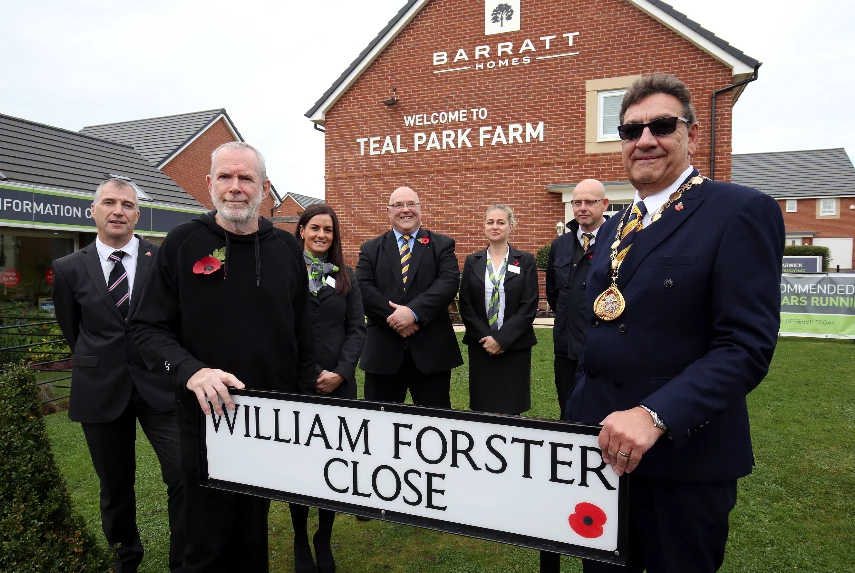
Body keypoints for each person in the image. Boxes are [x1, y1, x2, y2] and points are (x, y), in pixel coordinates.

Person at [566, 73, 784, 573]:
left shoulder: (739, 211)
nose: (645, 140)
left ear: (692, 134)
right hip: (599, 453)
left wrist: (656, 414)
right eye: (630, 131)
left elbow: (744, 346)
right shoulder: (617, 225)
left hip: (682, 464)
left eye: (662, 125)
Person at [132, 142, 316, 573]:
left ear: (264, 187)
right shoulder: (182, 243)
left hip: (269, 422)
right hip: (206, 419)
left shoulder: (287, 250)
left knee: (253, 536)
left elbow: (304, 334)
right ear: (209, 184)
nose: (236, 187)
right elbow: (145, 328)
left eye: (246, 178)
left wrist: (307, 407)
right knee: (206, 541)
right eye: (226, 177)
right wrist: (191, 371)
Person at [51, 178, 185, 573]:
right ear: (93, 210)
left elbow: (172, 319)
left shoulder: (159, 259)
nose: (117, 211)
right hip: (100, 389)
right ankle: (126, 558)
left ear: (137, 214)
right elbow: (71, 328)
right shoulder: (68, 268)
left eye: (127, 205)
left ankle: (185, 560)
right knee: (115, 487)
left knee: (183, 472)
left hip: (158, 387)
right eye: (109, 203)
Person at [289, 204, 366, 573]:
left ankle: (324, 533)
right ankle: (301, 535)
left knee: (334, 464)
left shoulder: (346, 277)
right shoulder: (284, 274)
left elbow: (357, 330)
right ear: (301, 230)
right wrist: (309, 372)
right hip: (298, 386)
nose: (321, 235)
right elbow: (279, 330)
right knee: (300, 465)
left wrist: (340, 371)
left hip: (339, 387)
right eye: (315, 228)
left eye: (329, 230)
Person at [355, 186, 462, 408]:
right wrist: (398, 318)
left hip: (432, 355)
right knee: (380, 426)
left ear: (420, 209)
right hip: (383, 355)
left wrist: (413, 313)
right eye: (398, 205)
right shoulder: (370, 248)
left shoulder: (441, 245)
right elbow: (363, 288)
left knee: (436, 424)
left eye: (411, 204)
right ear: (388, 211)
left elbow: (448, 282)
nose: (406, 210)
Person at [459, 204, 538, 415]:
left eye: (501, 222)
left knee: (511, 408)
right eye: (490, 222)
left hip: (515, 346)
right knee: (483, 407)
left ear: (511, 226)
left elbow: (529, 305)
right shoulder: (472, 261)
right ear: (484, 226)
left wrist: (502, 339)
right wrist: (487, 339)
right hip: (481, 346)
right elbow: (466, 304)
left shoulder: (525, 261)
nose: (495, 227)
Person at [546, 179, 610, 419]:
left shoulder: (619, 243)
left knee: (603, 414)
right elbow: (554, 293)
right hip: (565, 346)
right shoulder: (560, 245)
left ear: (604, 204)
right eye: (577, 202)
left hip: (602, 347)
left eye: (590, 202)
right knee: (568, 409)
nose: (582, 207)